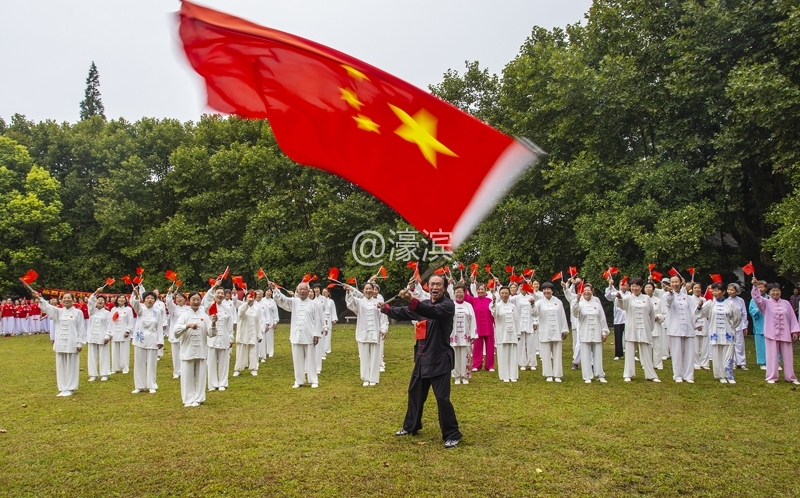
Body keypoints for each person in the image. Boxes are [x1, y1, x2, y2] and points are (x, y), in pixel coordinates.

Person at [382, 274, 462, 449]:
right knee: (415, 394)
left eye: (438, 285)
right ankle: (411, 426)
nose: (435, 287)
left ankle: (452, 434)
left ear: (444, 287)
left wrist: (412, 300)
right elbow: (406, 312)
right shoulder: (423, 304)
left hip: (440, 359)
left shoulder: (448, 306)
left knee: (442, 398)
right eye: (432, 284)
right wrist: (386, 309)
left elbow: (431, 312)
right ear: (428, 287)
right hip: (422, 357)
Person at [272, 281, 325, 388]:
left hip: (309, 336)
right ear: (297, 291)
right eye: (300, 289)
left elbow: (318, 320)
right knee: (297, 360)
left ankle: (313, 380)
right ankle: (299, 380)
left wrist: (316, 334)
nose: (302, 291)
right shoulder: (294, 302)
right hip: (296, 335)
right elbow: (282, 300)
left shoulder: (315, 304)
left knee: (311, 359)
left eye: (304, 289)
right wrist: (275, 290)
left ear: (308, 291)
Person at [33, 290, 85, 396]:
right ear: (61, 300)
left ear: (73, 300)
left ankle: (70, 387)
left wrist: (80, 343)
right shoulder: (58, 312)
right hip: (60, 342)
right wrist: (39, 298)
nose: (66, 300)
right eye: (64, 298)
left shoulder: (78, 312)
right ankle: (62, 387)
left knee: (72, 365)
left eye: (68, 298)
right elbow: (47, 308)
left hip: (72, 342)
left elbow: (81, 329)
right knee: (61, 365)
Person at [750, 277, 800, 384]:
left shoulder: (786, 303)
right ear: (769, 292)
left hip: (785, 333)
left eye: (777, 290)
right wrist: (755, 286)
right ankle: (772, 377)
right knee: (771, 356)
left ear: (780, 292)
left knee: (788, 356)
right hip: (771, 333)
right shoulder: (765, 303)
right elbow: (757, 298)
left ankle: (790, 377)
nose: (775, 292)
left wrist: (795, 331)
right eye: (773, 291)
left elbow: (792, 317)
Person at [173, 291, 217, 407]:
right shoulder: (184, 316)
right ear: (189, 300)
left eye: (198, 299)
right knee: (187, 376)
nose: (196, 302)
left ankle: (199, 397)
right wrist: (187, 326)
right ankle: (188, 399)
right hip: (187, 350)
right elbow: (176, 332)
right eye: (193, 299)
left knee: (201, 375)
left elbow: (211, 334)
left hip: (201, 350)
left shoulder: (204, 316)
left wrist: (213, 324)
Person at [613, 277, 660, 383]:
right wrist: (619, 297)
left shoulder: (646, 298)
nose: (635, 288)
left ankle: (651, 375)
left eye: (637, 286)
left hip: (644, 328)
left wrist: (650, 327)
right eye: (633, 286)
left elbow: (651, 314)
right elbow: (621, 305)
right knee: (630, 351)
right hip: (631, 328)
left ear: (641, 287)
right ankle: (628, 374)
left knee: (647, 352)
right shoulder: (628, 298)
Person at [565, 282, 609, 383]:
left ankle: (599, 375)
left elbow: (602, 319)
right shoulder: (579, 304)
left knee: (598, 354)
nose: (586, 292)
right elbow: (575, 313)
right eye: (584, 291)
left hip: (597, 332)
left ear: (592, 291)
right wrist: (576, 300)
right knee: (585, 354)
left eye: (588, 290)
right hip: (584, 332)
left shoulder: (597, 304)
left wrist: (604, 332)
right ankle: (587, 376)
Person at [345, 282, 387, 386]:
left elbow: (383, 316)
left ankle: (373, 378)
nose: (368, 291)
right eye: (366, 289)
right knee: (364, 357)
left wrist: (384, 329)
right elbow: (350, 303)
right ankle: (365, 378)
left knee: (374, 356)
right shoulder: (359, 302)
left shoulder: (378, 302)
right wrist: (348, 291)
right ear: (363, 290)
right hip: (362, 332)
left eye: (370, 289)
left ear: (373, 290)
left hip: (375, 333)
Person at [699, 283, 741, 383]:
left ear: (723, 292)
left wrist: (732, 327)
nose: (715, 292)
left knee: (728, 354)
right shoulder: (710, 303)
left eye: (717, 290)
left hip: (728, 332)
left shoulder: (730, 303)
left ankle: (729, 374)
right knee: (717, 354)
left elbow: (737, 317)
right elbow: (699, 313)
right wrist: (700, 306)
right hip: (715, 332)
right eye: (713, 291)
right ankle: (720, 375)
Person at [531, 282, 570, 382]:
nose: (546, 291)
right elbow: (534, 313)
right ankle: (548, 374)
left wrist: (564, 330)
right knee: (545, 354)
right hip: (544, 331)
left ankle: (557, 375)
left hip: (556, 331)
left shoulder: (558, 302)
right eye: (544, 289)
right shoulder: (539, 302)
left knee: (557, 354)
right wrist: (532, 305)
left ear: (552, 291)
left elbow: (562, 316)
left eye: (548, 289)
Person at [130, 286, 166, 393]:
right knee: (139, 362)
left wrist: (160, 341)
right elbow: (135, 305)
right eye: (147, 298)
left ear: (155, 300)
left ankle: (152, 385)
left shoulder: (158, 311)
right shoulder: (140, 309)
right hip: (140, 339)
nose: (150, 300)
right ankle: (139, 386)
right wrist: (136, 296)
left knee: (151, 363)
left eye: (152, 298)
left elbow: (159, 326)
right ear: (144, 299)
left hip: (152, 338)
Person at [202, 282, 235, 391]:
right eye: (218, 293)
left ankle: (222, 383)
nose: (220, 295)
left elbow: (230, 324)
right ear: (215, 294)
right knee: (211, 362)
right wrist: (214, 286)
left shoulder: (227, 308)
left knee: (224, 362)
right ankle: (212, 384)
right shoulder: (209, 306)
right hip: (212, 338)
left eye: (222, 293)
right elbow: (206, 298)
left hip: (224, 338)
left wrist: (231, 337)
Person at [663, 275, 697, 383]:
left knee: (689, 353)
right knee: (677, 353)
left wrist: (695, 325)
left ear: (681, 282)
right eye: (672, 282)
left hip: (688, 328)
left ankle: (689, 375)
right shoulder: (667, 295)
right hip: (675, 328)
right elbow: (668, 302)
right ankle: (677, 375)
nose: (674, 284)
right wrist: (671, 292)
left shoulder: (688, 297)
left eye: (676, 282)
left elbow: (692, 313)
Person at [490, 286, 520, 382]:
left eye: (506, 293)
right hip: (502, 333)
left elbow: (517, 320)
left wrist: (518, 333)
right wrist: (493, 302)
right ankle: (504, 375)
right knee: (503, 355)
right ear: (499, 294)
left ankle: (513, 375)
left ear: (509, 294)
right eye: (502, 293)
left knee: (513, 355)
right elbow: (494, 313)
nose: (504, 295)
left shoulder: (513, 306)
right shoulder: (497, 305)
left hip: (512, 334)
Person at [465, 278, 495, 372]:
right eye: (479, 289)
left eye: (482, 289)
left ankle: (490, 366)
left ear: (485, 290)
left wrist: (494, 301)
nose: (481, 291)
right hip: (477, 327)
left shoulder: (490, 300)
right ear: (476, 290)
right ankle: (476, 365)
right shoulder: (474, 300)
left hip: (488, 326)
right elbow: (466, 297)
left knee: (490, 347)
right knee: (477, 347)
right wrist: (464, 286)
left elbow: (494, 311)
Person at [449, 283, 477, 384]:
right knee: (455, 355)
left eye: (461, 292)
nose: (459, 294)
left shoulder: (468, 306)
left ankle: (465, 376)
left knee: (466, 355)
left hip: (466, 335)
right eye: (457, 292)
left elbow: (473, 320)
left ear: (464, 293)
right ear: (454, 293)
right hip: (454, 334)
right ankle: (456, 376)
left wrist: (473, 334)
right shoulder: (450, 305)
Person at [233, 292, 263, 376]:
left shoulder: (256, 309)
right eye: (249, 297)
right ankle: (238, 369)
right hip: (243, 333)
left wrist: (259, 335)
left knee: (253, 351)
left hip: (252, 333)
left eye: (253, 297)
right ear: (246, 298)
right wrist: (247, 303)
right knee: (240, 352)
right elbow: (241, 313)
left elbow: (258, 322)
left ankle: (253, 368)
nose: (251, 299)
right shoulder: (241, 307)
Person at [86, 289, 113, 382]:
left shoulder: (107, 313)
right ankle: (93, 374)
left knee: (104, 355)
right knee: (92, 356)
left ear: (105, 303)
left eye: (102, 300)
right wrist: (96, 292)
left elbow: (110, 325)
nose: (100, 301)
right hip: (92, 336)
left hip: (102, 336)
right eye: (98, 300)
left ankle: (104, 373)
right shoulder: (92, 311)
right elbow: (90, 301)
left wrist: (107, 336)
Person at [511, 281, 537, 371]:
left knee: (531, 344)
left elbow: (535, 311)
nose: (522, 287)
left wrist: (535, 322)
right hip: (520, 323)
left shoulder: (531, 297)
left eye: (524, 286)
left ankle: (532, 363)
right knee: (521, 344)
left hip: (530, 323)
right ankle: (522, 363)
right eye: (520, 286)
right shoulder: (515, 298)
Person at [165, 289, 190, 379]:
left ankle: (185, 370)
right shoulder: (173, 309)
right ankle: (176, 372)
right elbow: (168, 302)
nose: (179, 299)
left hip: (186, 334)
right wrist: (169, 293)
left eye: (181, 297)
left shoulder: (188, 309)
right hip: (175, 334)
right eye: (177, 297)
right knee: (176, 355)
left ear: (185, 299)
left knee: (185, 353)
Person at [605, 278, 629, 360]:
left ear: (628, 286)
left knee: (629, 337)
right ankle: (618, 354)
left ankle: (631, 354)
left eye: (625, 285)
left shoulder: (630, 294)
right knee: (618, 337)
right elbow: (608, 296)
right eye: (621, 285)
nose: (623, 287)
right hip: (618, 319)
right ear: (619, 286)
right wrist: (610, 285)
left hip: (628, 319)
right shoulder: (615, 293)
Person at [644, 282, 666, 370]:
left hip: (656, 325)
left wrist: (658, 317)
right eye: (646, 287)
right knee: (645, 346)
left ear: (653, 289)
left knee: (657, 346)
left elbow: (663, 313)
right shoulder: (641, 299)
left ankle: (658, 364)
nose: (648, 289)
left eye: (650, 287)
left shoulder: (658, 300)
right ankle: (646, 363)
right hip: (645, 326)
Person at [726, 283, 749, 369]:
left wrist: (745, 325)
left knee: (740, 343)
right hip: (730, 324)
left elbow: (744, 313)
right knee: (731, 343)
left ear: (736, 291)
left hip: (739, 325)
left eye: (732, 290)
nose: (730, 291)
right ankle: (733, 362)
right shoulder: (726, 301)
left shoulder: (740, 300)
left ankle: (741, 362)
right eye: (729, 289)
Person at [110, 294, 134, 374]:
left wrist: (128, 331)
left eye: (123, 298)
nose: (121, 299)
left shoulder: (128, 309)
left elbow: (131, 321)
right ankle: (115, 368)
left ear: (125, 300)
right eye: (119, 298)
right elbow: (110, 321)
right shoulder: (113, 309)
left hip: (124, 332)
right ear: (116, 300)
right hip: (115, 332)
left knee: (124, 351)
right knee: (114, 350)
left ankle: (125, 367)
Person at [691, 282, 711, 371]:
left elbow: (706, 312)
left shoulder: (704, 299)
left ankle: (705, 363)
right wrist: (698, 306)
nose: (697, 290)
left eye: (698, 288)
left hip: (704, 323)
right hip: (695, 324)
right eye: (695, 288)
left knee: (705, 345)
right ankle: (696, 363)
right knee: (695, 346)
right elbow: (692, 313)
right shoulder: (690, 299)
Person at [748, 280, 768, 369]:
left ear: (766, 288)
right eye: (758, 287)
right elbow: (751, 311)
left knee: (773, 343)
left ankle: (776, 361)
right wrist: (759, 309)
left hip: (770, 324)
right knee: (760, 343)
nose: (760, 289)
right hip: (759, 323)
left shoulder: (769, 298)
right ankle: (762, 362)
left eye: (762, 287)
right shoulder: (753, 299)